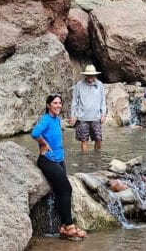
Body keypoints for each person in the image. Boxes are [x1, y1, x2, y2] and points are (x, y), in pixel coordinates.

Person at [32, 94, 87, 240]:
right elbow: (35, 133)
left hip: (59, 160)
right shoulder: (46, 119)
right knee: (67, 189)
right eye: (55, 103)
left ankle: (63, 227)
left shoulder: (56, 119)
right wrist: (43, 144)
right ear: (48, 105)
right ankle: (69, 226)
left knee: (60, 192)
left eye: (60, 103)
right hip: (47, 160)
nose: (58, 106)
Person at [70, 64, 107, 153]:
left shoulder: (100, 85)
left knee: (98, 139)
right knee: (84, 140)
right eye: (88, 75)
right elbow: (74, 102)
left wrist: (103, 114)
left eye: (92, 75)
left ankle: (96, 157)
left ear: (95, 75)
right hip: (82, 117)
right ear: (85, 75)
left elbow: (103, 101)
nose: (90, 77)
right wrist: (73, 116)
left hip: (96, 117)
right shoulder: (79, 85)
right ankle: (85, 161)